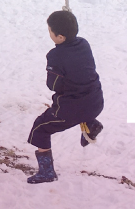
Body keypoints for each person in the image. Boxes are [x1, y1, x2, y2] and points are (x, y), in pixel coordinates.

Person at [26, 10, 104, 184]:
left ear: (60, 37)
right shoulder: (84, 44)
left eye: (50, 31)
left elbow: (53, 85)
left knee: (40, 128)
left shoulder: (56, 56)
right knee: (82, 109)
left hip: (72, 108)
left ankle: (46, 172)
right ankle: (91, 123)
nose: (49, 34)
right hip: (96, 100)